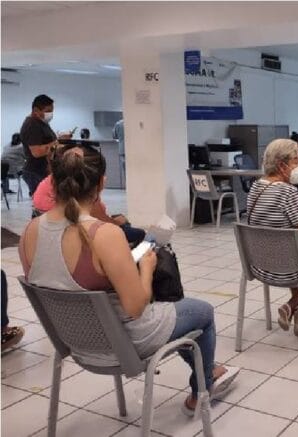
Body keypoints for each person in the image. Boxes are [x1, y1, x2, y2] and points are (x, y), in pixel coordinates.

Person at [19, 144, 239, 415]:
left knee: (174, 309)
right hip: (121, 343)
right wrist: (146, 267)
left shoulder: (29, 231)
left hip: (73, 343)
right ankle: (201, 389)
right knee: (201, 312)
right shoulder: (103, 234)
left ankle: (208, 371)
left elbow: (68, 280)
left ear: (54, 180)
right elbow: (136, 307)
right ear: (101, 183)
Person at [247, 139, 298, 337]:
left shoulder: (255, 188)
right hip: (288, 272)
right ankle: (292, 304)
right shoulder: (289, 192)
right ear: (282, 165)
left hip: (260, 267)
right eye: (296, 160)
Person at [32, 168, 146, 245]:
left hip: (62, 231)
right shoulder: (83, 188)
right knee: (137, 232)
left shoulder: (53, 182)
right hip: (79, 232)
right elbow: (99, 218)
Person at [20, 94, 70, 196]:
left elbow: (46, 141)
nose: (50, 114)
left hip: (43, 170)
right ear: (36, 110)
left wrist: (59, 139)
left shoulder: (41, 123)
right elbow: (37, 152)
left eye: (52, 111)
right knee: (44, 202)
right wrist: (58, 142)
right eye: (47, 111)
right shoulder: (32, 124)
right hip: (36, 172)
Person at [113, 119, 125, 184]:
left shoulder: (118, 124)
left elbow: (114, 136)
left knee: (125, 169)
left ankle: (127, 185)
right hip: (132, 148)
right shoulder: (132, 122)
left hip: (122, 149)